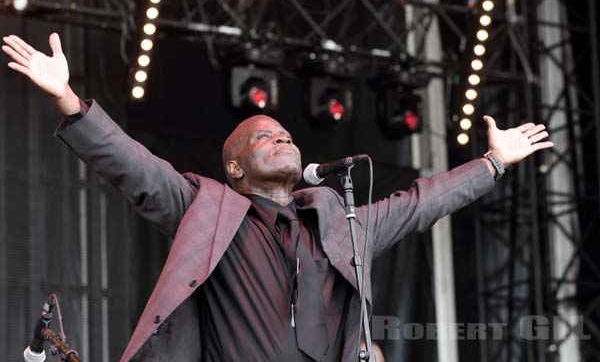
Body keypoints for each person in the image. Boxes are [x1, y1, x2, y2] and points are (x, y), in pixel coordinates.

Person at [2, 33, 553, 362]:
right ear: (235, 166)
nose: (282, 136)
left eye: (285, 133)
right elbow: (134, 167)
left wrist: (493, 163)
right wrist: (71, 101)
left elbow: (419, 203)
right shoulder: (208, 207)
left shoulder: (341, 225)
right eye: (263, 136)